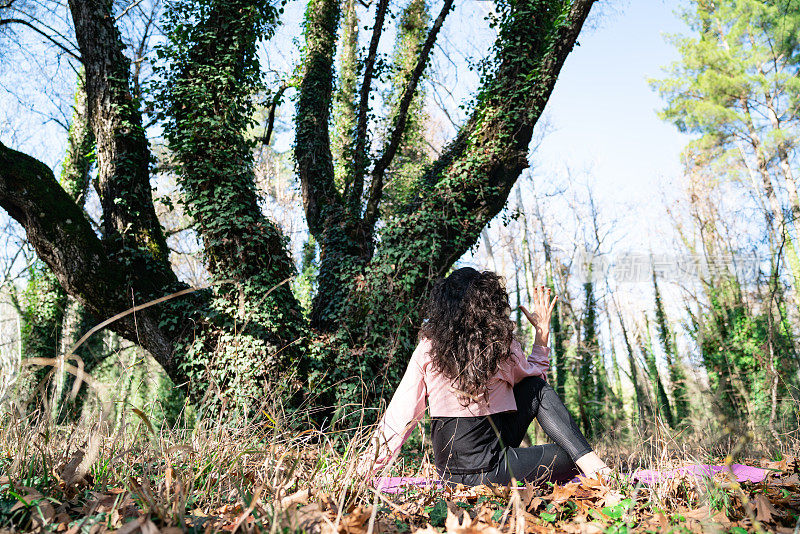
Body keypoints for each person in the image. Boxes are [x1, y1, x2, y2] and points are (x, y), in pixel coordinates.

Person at [358, 267, 610, 486]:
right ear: (491, 306)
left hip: (448, 474)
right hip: (492, 471)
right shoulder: (501, 346)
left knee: (535, 391)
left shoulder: (428, 347)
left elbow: (401, 415)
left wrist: (364, 469)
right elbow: (537, 381)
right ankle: (597, 468)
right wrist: (541, 335)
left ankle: (593, 466)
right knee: (565, 443)